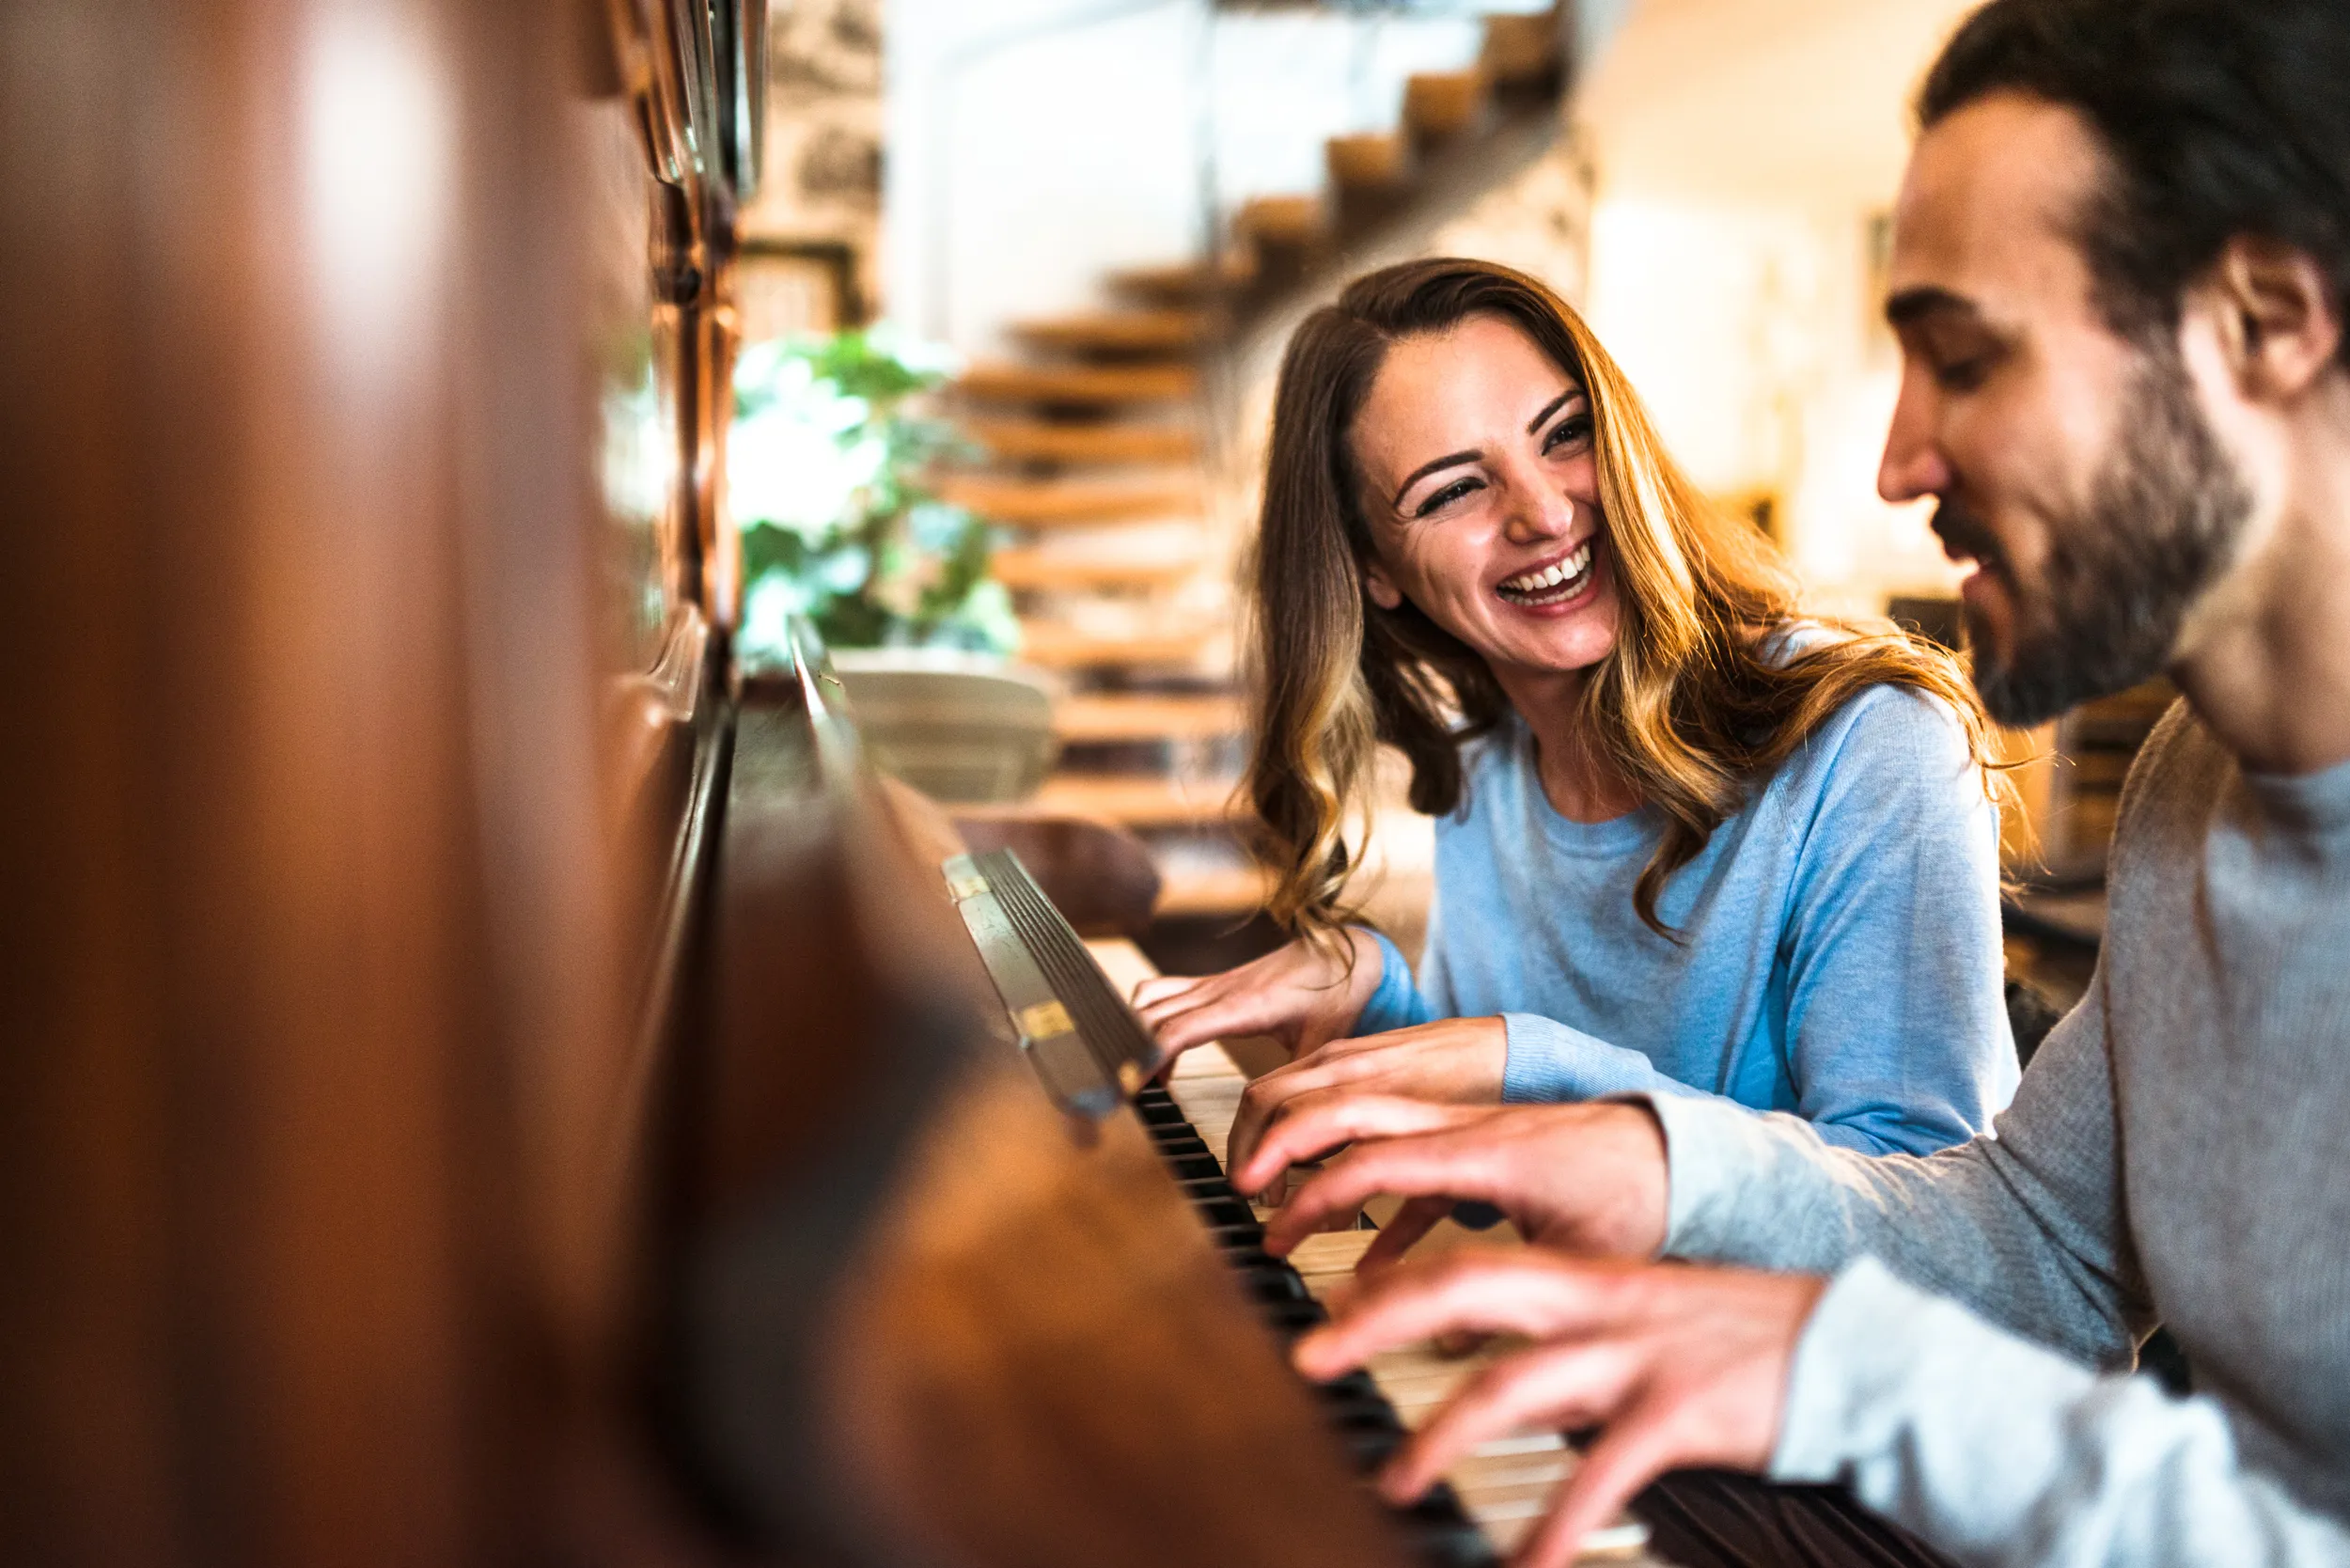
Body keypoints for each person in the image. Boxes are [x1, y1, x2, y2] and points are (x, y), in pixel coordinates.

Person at [1244, 3, 2350, 1565]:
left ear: (2268, 316)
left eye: (1963, 357)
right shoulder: (2195, 785)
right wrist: (1656, 1158)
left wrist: (1834, 1357)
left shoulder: (1881, 746)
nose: (1898, 462)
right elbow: (2040, 1246)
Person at [1133, 258, 2020, 1168]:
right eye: (1452, 489)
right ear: (1374, 571)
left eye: (1564, 435)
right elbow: (1506, 1173)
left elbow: (1923, 1202)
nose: (1544, 512)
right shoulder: (1490, 770)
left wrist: (1531, 1066)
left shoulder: (1873, 741)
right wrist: (1375, 999)